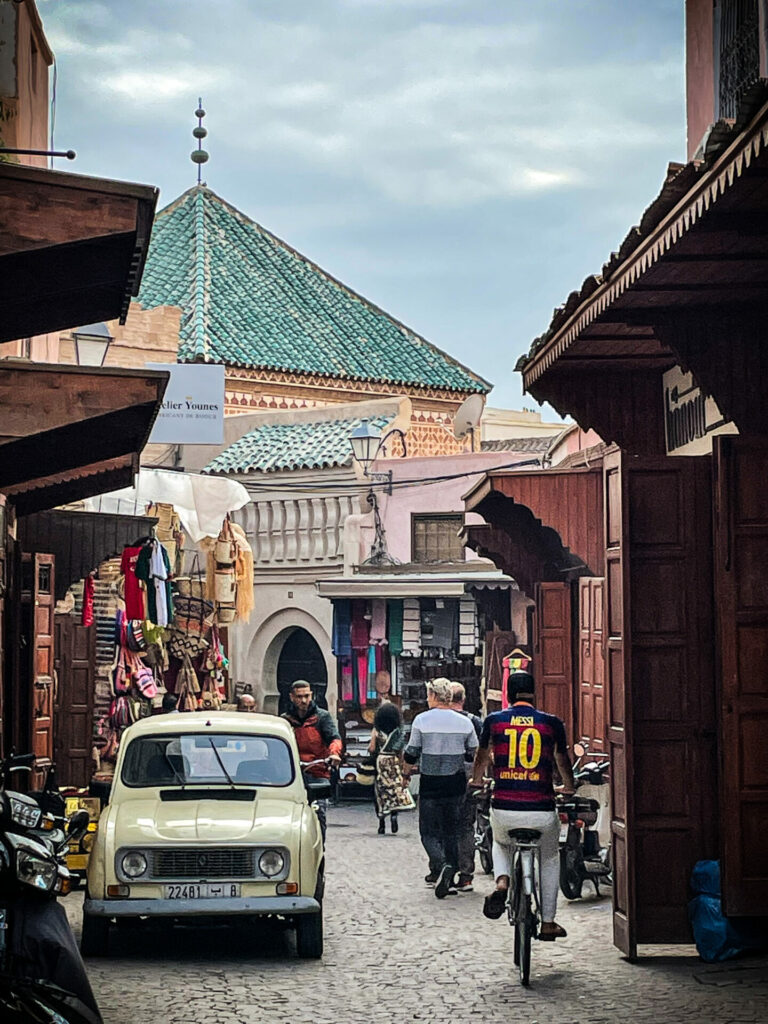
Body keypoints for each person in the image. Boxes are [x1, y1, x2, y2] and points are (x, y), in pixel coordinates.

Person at [470, 671, 575, 940]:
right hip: (541, 809)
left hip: (505, 808)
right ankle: (549, 922)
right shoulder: (551, 724)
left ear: (508, 693)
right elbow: (562, 760)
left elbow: (482, 757)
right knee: (550, 856)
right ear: (534, 693)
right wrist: (569, 787)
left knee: (500, 842)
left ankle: (502, 881)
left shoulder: (494, 721)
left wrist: (477, 780)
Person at [404, 678, 478, 899]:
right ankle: (451, 872)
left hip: (430, 782)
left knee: (428, 831)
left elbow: (411, 753)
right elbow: (471, 751)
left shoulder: (422, 720)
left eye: (428, 695)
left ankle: (442, 864)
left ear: (434, 696)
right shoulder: (464, 723)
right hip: (455, 783)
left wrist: (407, 770)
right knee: (451, 830)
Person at [282, 680, 342, 841]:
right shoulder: (285, 720)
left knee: (319, 810)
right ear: (292, 697)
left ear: (311, 695)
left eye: (307, 696)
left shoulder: (322, 717)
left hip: (317, 770)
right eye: (299, 697)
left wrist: (334, 754)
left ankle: (320, 846)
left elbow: (334, 738)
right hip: (293, 774)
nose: (303, 700)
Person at [449, 682, 482, 893]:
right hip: (469, 777)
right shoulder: (475, 722)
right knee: (465, 825)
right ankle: (466, 874)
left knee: (444, 825)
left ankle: (444, 869)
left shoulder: (438, 720)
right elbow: (482, 751)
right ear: (463, 699)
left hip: (444, 777)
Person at [368, 700, 408, 836]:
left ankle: (381, 822)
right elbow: (400, 751)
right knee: (393, 790)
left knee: (380, 792)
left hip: (380, 762)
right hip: (393, 762)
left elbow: (372, 749)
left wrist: (373, 738)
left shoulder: (377, 731)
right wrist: (403, 768)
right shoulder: (399, 732)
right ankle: (394, 814)